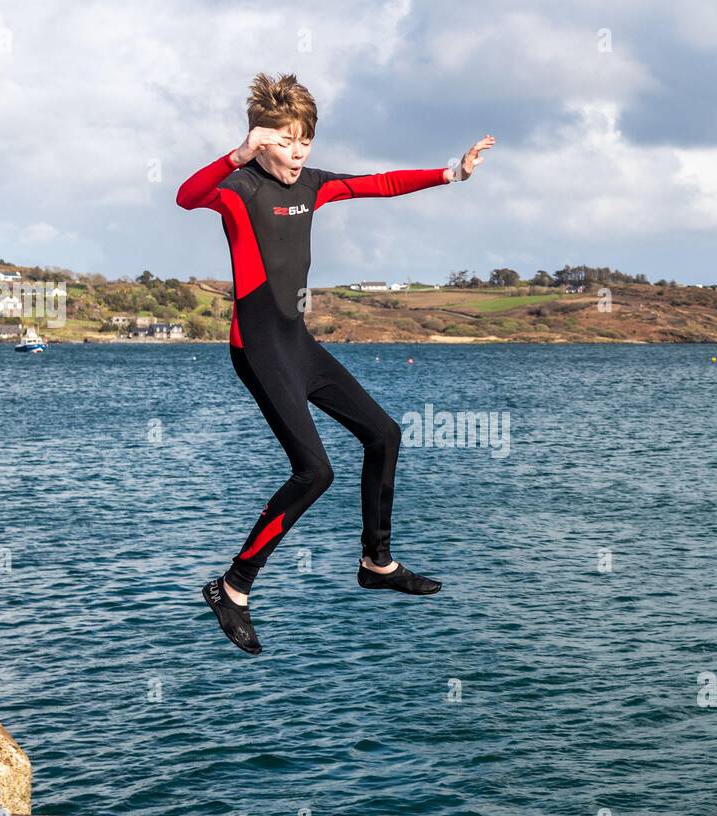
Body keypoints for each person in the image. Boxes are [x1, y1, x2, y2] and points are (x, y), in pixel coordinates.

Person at [178, 72, 494, 655]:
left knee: (384, 433)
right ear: (261, 138)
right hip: (257, 347)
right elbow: (185, 196)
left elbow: (380, 183)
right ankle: (232, 587)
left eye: (305, 140)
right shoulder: (237, 187)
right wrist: (236, 154)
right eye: (285, 139)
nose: (297, 152)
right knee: (314, 472)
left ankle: (377, 563)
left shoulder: (314, 187)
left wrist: (452, 172)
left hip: (296, 343)